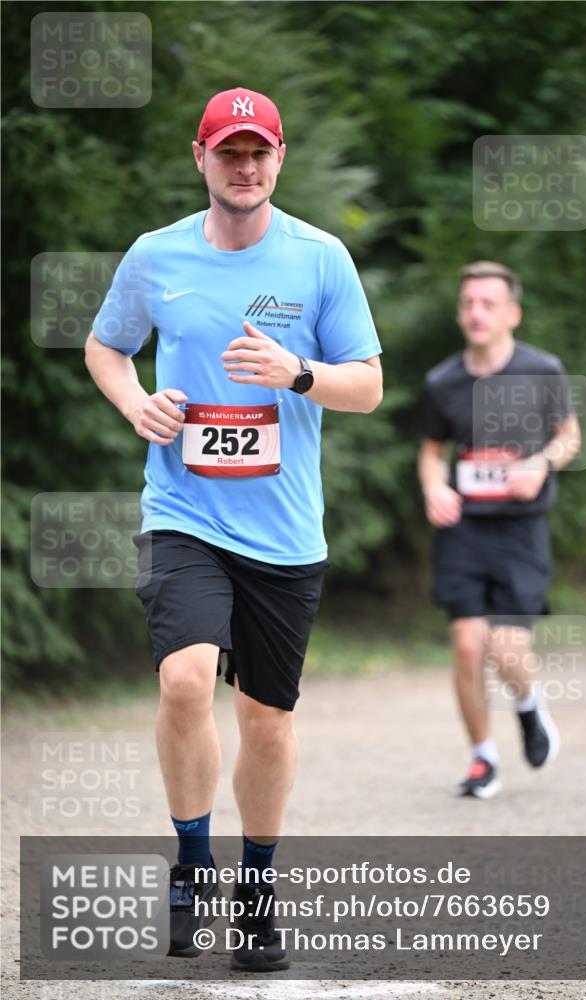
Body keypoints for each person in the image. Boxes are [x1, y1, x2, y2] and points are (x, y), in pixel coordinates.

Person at [85, 86, 382, 968]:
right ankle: (190, 861)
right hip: (183, 511)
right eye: (229, 152)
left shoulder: (320, 259)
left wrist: (297, 373)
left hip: (285, 533)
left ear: (278, 160)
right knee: (183, 683)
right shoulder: (154, 256)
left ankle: (256, 890)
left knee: (263, 720)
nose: (244, 167)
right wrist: (137, 402)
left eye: (259, 153)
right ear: (201, 158)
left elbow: (366, 387)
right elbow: (107, 347)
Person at [417, 261, 580, 800]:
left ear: (512, 313)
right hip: (463, 530)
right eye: (468, 303)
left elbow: (569, 436)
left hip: (520, 531)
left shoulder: (543, 370)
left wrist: (542, 464)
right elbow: (432, 454)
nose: (476, 313)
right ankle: (483, 758)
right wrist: (435, 489)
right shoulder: (443, 381)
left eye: (488, 303)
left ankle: (530, 709)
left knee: (507, 650)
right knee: (467, 644)